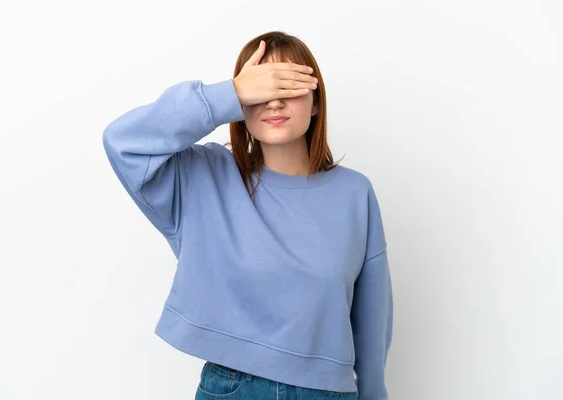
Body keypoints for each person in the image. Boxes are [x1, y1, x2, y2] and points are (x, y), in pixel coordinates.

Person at [102, 31, 393, 400]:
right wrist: (229, 94)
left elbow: (372, 319)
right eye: (260, 87)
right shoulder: (202, 177)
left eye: (288, 84)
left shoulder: (354, 193)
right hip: (234, 388)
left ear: (316, 102)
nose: (274, 101)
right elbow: (122, 142)